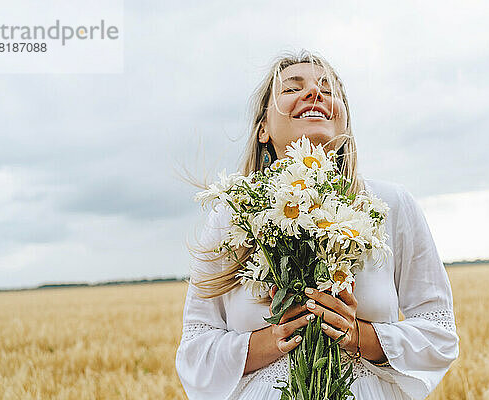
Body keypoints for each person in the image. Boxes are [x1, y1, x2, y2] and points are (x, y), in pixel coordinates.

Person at [175, 50, 459, 400]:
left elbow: (440, 333)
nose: (315, 93)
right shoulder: (231, 215)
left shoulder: (392, 205)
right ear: (263, 127)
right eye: (293, 88)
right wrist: (272, 341)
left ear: (344, 121)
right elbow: (194, 351)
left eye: (328, 88)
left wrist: (358, 336)